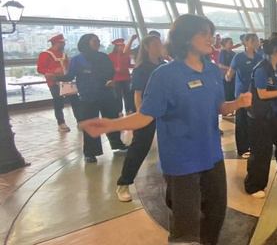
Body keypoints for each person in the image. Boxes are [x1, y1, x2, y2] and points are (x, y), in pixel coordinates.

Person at [82, 14, 252, 244]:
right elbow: (145, 116)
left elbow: (219, 107)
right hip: (182, 163)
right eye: (203, 33)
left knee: (215, 217)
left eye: (210, 33)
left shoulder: (212, 71)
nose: (210, 38)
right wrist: (111, 124)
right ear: (185, 38)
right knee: (186, 228)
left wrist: (237, 104)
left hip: (212, 157)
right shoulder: (165, 75)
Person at [58, 34, 128, 163]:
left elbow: (111, 72)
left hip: (106, 94)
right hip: (88, 96)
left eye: (98, 40)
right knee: (91, 124)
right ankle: (90, 153)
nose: (98, 42)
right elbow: (70, 76)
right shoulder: (77, 60)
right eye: (95, 41)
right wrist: (56, 77)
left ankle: (117, 144)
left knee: (111, 119)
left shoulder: (103, 57)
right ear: (86, 43)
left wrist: (109, 80)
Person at [245, 37, 277, 198]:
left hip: (276, 112)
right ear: (275, 52)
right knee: (262, 149)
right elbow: (262, 93)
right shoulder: (261, 69)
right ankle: (254, 185)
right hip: (260, 116)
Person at [115, 35, 165, 202]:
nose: (160, 46)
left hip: (166, 111)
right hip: (147, 112)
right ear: (147, 47)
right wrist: (141, 114)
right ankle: (124, 183)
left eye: (160, 43)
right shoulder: (141, 69)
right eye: (156, 44)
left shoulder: (166, 66)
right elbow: (137, 94)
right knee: (140, 147)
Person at [227, 33, 261, 159]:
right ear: (246, 43)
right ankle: (242, 148)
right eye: (253, 41)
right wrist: (228, 77)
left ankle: (253, 144)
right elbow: (230, 74)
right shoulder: (239, 57)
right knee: (241, 121)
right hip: (241, 93)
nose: (256, 43)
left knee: (253, 120)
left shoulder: (259, 57)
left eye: (256, 40)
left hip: (255, 93)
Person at [37, 34, 81, 133]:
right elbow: (40, 68)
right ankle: (61, 123)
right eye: (62, 42)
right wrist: (52, 71)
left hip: (67, 80)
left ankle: (80, 121)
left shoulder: (64, 54)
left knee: (75, 101)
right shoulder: (45, 54)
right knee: (58, 103)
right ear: (56, 43)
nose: (64, 44)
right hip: (54, 82)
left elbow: (68, 66)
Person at [109, 36, 137, 116]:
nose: (122, 47)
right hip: (116, 78)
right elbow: (108, 67)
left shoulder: (126, 55)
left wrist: (135, 65)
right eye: (120, 46)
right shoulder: (110, 56)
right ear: (116, 47)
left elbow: (128, 65)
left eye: (123, 46)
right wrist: (114, 69)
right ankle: (119, 111)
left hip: (126, 78)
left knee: (128, 95)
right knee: (117, 96)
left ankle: (129, 110)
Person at [217, 37, 236, 102]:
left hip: (233, 76)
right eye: (230, 43)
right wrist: (230, 68)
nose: (232, 44)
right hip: (224, 76)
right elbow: (220, 65)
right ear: (225, 44)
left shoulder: (233, 53)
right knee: (226, 94)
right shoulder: (222, 52)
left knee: (232, 93)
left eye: (232, 42)